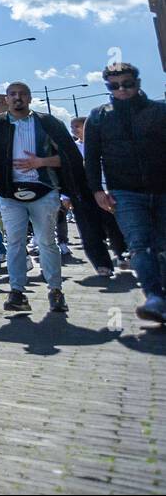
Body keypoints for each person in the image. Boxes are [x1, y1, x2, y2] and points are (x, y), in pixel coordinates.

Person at [0, 81, 85, 313]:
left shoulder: (48, 123)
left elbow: (70, 157)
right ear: (6, 99)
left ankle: (55, 290)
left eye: (22, 94)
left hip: (44, 190)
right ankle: (17, 293)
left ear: (30, 98)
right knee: (14, 242)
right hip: (9, 192)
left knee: (46, 241)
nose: (17, 98)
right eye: (12, 94)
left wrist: (41, 162)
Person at [84, 62, 166, 321]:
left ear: (138, 83)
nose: (122, 90)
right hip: (125, 192)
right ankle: (154, 297)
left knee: (163, 246)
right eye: (115, 86)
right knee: (139, 245)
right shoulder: (98, 116)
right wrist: (97, 190)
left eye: (127, 84)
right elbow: (92, 158)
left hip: (162, 188)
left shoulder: (159, 111)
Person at [68, 115, 128, 277]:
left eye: (78, 126)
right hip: (82, 193)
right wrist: (66, 197)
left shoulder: (105, 145)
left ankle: (122, 253)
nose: (74, 130)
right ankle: (102, 263)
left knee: (114, 226)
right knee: (89, 231)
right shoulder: (73, 149)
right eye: (72, 127)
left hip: (106, 190)